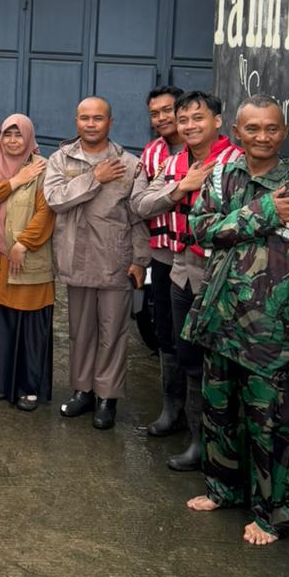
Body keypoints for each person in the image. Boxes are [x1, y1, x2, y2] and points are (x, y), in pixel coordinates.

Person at [183, 95, 289, 544]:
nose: (263, 137)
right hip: (221, 320)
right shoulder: (221, 177)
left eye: (272, 128)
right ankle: (223, 489)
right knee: (219, 413)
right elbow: (201, 230)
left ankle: (272, 516)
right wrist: (264, 212)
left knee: (271, 427)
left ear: (284, 132)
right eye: (253, 128)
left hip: (271, 332)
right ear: (237, 132)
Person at [132, 91, 242, 469]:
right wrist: (181, 186)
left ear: (218, 121)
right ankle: (195, 438)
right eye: (184, 120)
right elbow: (141, 204)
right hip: (179, 269)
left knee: (220, 361)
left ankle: (217, 447)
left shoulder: (235, 162)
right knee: (186, 353)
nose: (189, 126)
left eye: (198, 118)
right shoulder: (173, 162)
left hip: (222, 275)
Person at [44, 97, 149, 430]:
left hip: (115, 260)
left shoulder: (130, 164)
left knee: (113, 332)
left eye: (98, 118)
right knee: (80, 332)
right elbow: (55, 200)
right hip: (76, 259)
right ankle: (83, 391)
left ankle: (107, 397)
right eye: (85, 118)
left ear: (110, 122)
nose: (91, 124)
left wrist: (140, 260)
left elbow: (138, 217)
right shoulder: (61, 159)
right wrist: (95, 178)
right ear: (76, 121)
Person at [0, 114, 54, 411]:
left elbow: (46, 213)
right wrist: (14, 181)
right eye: (7, 135)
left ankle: (28, 388)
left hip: (27, 260)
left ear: (29, 137)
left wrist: (24, 244)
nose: (12, 141)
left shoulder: (43, 168)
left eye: (18, 135)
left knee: (30, 326)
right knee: (0, 323)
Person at [138, 85, 184, 437]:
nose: (162, 118)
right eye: (155, 113)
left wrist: (160, 196)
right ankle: (172, 408)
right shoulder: (152, 153)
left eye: (168, 110)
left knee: (195, 337)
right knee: (165, 331)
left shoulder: (211, 153)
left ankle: (199, 419)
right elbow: (139, 205)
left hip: (199, 259)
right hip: (162, 255)